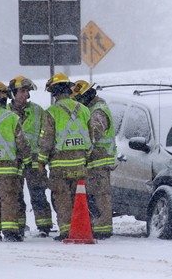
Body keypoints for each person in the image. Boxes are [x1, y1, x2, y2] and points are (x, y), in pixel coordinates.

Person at [38, 73, 92, 241]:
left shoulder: (51, 112)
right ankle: (80, 228)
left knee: (62, 197)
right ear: (69, 90)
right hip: (80, 163)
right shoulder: (84, 110)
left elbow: (46, 139)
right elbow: (91, 135)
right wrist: (86, 156)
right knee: (79, 197)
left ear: (54, 93)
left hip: (59, 164)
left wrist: (41, 161)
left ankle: (66, 230)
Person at [8, 76, 53, 237]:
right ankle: (20, 226)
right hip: (13, 162)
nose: (25, 95)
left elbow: (46, 134)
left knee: (39, 194)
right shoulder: (5, 113)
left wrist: (42, 158)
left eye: (27, 91)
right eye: (22, 91)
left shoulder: (38, 111)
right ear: (13, 93)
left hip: (35, 162)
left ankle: (44, 226)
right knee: (16, 195)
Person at [71, 80, 115, 240]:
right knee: (93, 196)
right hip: (94, 161)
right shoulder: (91, 109)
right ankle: (97, 226)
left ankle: (103, 228)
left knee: (100, 196)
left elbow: (94, 133)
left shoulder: (98, 111)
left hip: (99, 161)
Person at [0, 82, 32, 242]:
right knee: (9, 199)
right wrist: (28, 160)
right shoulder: (12, 118)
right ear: (6, 97)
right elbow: (22, 143)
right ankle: (10, 230)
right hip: (7, 168)